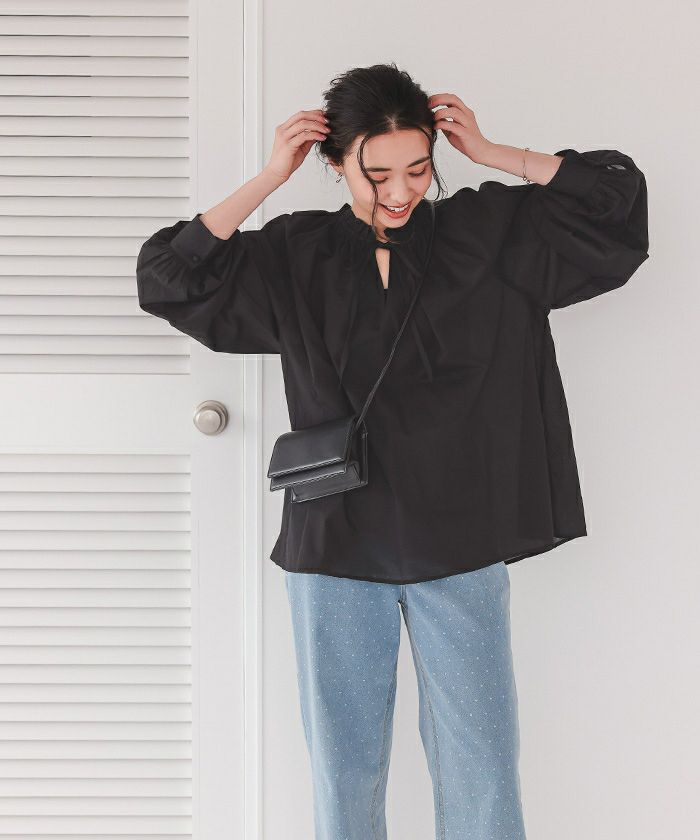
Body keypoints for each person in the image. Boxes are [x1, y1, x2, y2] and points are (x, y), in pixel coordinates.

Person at [136, 63, 649, 840]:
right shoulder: (294, 253)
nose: (401, 192)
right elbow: (168, 278)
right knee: (344, 773)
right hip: (335, 541)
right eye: (376, 175)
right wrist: (269, 176)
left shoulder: (486, 233)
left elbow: (616, 205)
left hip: (459, 538)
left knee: (481, 767)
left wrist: (495, 153)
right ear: (334, 162)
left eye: (417, 168)